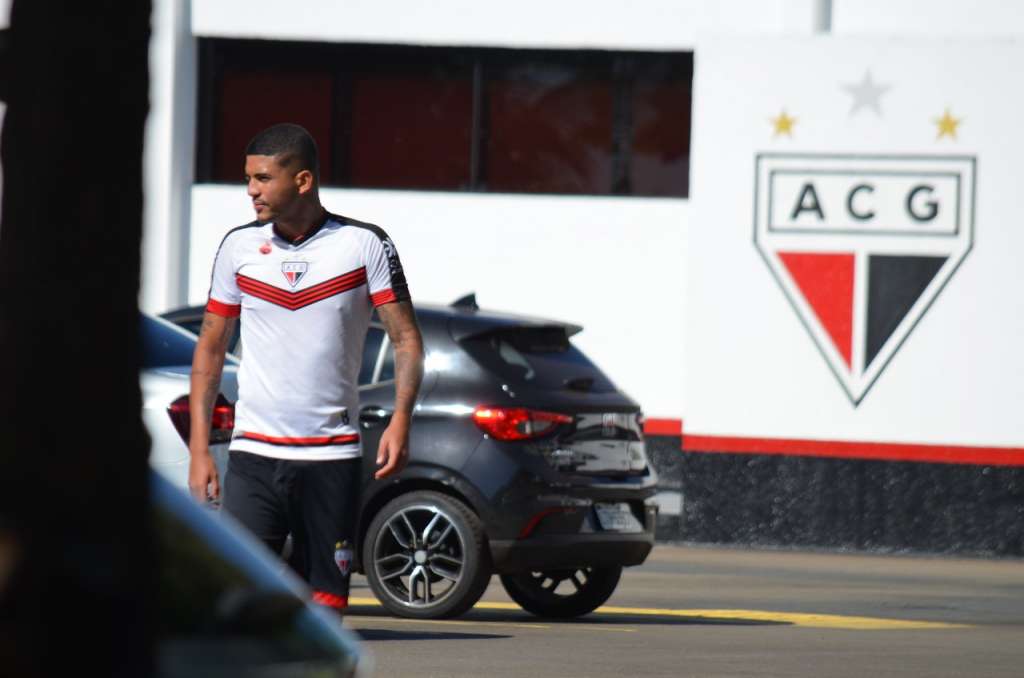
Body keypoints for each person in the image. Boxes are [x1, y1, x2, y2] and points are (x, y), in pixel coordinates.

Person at [187, 123, 424, 614]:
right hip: (253, 455)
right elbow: (210, 349)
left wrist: (402, 419)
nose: (251, 191)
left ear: (303, 180)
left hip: (331, 459)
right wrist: (198, 448)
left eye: (263, 178)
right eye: (248, 179)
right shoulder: (238, 247)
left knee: (324, 610)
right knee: (230, 600)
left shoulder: (364, 244)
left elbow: (405, 339)